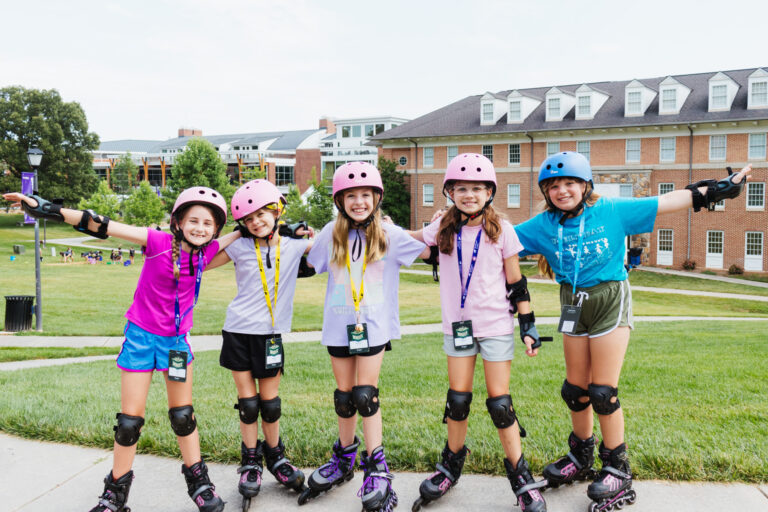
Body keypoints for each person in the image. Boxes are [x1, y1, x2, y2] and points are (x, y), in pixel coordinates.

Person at [513, 152, 752, 511]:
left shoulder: (611, 210)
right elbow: (495, 241)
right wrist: (448, 228)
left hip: (610, 297)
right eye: (553, 186)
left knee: (603, 391)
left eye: (569, 183)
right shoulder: (542, 225)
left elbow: (667, 201)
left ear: (585, 185)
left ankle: (617, 467)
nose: (562, 191)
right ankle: (581, 455)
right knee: (574, 389)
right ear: (546, 192)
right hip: (573, 301)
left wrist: (717, 190)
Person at [3, 186, 241, 512]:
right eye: (193, 220)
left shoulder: (205, 253)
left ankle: (199, 483)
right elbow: (103, 224)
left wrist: (247, 228)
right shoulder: (158, 243)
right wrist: (47, 209)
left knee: (183, 416)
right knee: (129, 422)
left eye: (208, 223)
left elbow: (233, 239)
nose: (200, 227)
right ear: (178, 222)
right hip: (141, 339)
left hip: (175, 345)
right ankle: (114, 495)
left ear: (215, 229)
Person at [406, 153, 548, 512]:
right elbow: (408, 243)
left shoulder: (502, 229)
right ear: (450, 191)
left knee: (501, 405)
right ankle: (451, 465)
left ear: (490, 192)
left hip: (496, 326)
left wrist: (528, 326)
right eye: (462, 188)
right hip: (458, 329)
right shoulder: (441, 228)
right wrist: (376, 223)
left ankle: (521, 478)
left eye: (477, 188)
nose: (469, 194)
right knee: (457, 401)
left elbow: (516, 282)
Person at [298, 161, 428, 512]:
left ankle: (377, 466)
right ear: (340, 201)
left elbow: (430, 251)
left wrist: (415, 229)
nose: (359, 202)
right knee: (344, 396)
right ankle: (343, 458)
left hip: (374, 324)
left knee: (365, 394)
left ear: (376, 197)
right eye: (351, 196)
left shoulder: (389, 235)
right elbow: (309, 263)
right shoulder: (330, 233)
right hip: (339, 325)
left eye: (365, 195)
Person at [205, 179, 314, 509]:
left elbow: (332, 245)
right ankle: (250, 460)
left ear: (278, 210)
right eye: (248, 218)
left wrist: (306, 231)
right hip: (237, 331)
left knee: (270, 404)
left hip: (270, 335)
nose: (255, 222)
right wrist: (236, 233)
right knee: (248, 403)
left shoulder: (295, 247)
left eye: (262, 214)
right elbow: (203, 259)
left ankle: (276, 457)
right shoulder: (239, 245)